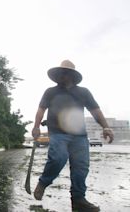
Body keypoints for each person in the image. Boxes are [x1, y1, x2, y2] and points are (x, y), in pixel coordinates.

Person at [31, 60, 114, 212]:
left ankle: (78, 200)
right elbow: (41, 109)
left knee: (81, 167)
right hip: (57, 133)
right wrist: (36, 126)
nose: (62, 75)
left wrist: (106, 127)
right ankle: (43, 182)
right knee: (58, 157)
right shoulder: (50, 92)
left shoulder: (83, 92)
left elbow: (95, 111)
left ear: (72, 75)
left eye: (65, 72)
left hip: (79, 136)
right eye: (60, 73)